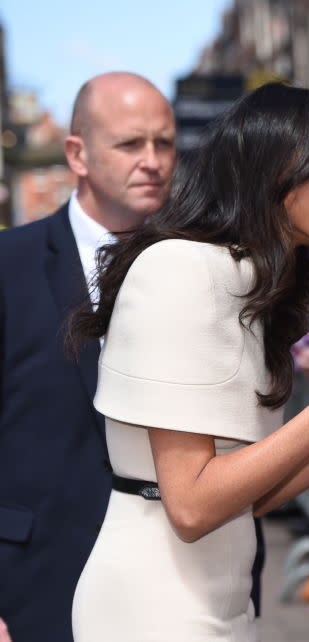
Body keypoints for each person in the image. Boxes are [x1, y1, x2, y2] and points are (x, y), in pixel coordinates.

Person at [69, 83, 309, 640]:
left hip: (224, 603)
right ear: (274, 166)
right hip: (153, 608)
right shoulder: (181, 269)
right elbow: (191, 506)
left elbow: (252, 494)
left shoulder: (249, 281)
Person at [0, 72, 175, 642]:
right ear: (76, 153)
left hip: (179, 588)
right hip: (39, 587)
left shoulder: (198, 266)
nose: (152, 161)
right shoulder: (10, 265)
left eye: (164, 143)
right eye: (130, 144)